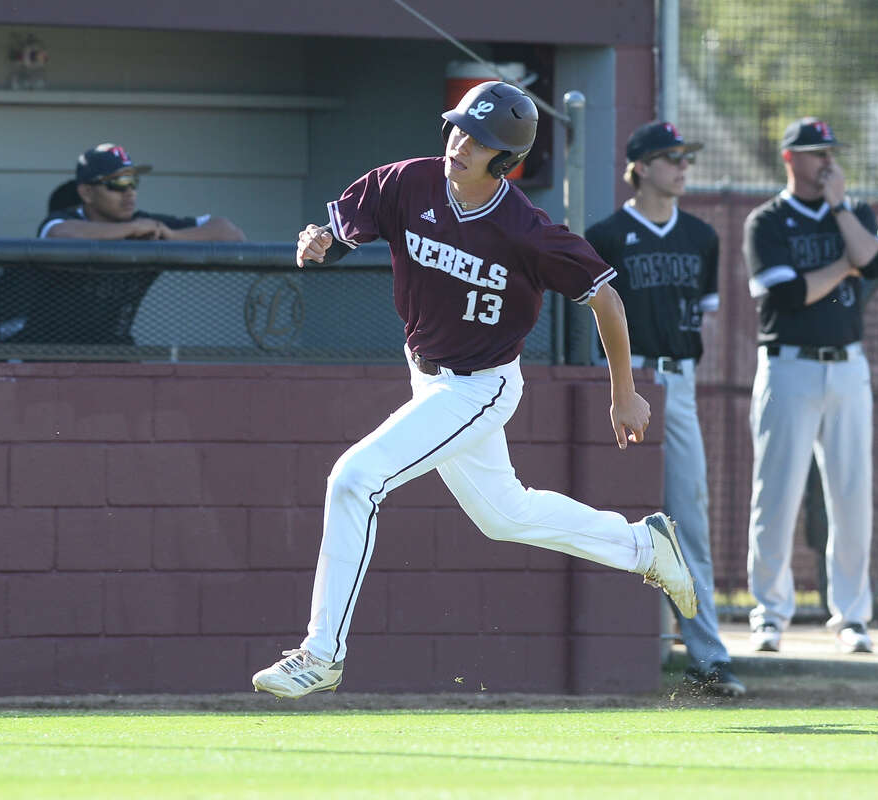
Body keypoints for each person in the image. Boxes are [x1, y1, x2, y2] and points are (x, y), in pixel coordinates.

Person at [251, 81, 698, 698]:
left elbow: (608, 301)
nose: (461, 143)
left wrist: (622, 392)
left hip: (480, 387)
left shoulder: (526, 230)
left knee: (354, 479)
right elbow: (343, 226)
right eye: (459, 128)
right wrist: (321, 239)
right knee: (505, 515)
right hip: (428, 375)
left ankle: (321, 654)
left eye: (481, 139)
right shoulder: (408, 182)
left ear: (506, 161)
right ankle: (644, 546)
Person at [585, 121, 743, 698]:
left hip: (678, 381)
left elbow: (708, 317)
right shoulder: (604, 234)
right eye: (671, 157)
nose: (682, 167)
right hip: (622, 381)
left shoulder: (701, 236)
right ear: (641, 167)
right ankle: (627, 651)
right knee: (610, 515)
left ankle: (708, 657)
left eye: (685, 158)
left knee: (689, 521)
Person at [742, 117, 878, 654]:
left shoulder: (851, 212)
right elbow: (785, 296)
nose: (825, 160)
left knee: (853, 495)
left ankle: (851, 617)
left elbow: (874, 264)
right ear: (789, 159)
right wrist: (842, 266)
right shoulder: (768, 221)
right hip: (789, 364)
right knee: (776, 494)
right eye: (813, 151)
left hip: (848, 366)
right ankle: (770, 614)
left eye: (830, 150)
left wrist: (840, 211)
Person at [0, 143, 245, 346]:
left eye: (133, 181)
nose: (130, 192)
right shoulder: (66, 220)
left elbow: (230, 233)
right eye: (118, 183)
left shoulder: (149, 226)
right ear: (87, 192)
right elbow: (55, 233)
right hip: (48, 354)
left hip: (111, 352)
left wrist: (172, 237)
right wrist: (130, 230)